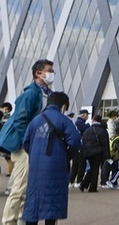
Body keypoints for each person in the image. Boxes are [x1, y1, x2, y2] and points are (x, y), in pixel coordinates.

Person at [0, 58, 54, 225]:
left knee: (28, 187)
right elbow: (21, 120)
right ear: (38, 73)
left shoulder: (45, 94)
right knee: (20, 187)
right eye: (50, 70)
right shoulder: (31, 93)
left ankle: (22, 218)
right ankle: (9, 221)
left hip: (34, 145)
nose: (52, 74)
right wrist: (27, 143)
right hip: (24, 147)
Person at [21, 91, 81, 225]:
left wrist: (36, 153)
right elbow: (75, 141)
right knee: (52, 202)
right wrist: (67, 154)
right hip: (56, 166)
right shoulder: (64, 120)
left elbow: (25, 143)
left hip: (36, 167)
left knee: (33, 200)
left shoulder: (35, 120)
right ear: (64, 106)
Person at [78, 114, 109, 193]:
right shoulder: (103, 130)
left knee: (92, 168)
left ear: (93, 119)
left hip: (87, 151)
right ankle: (92, 187)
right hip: (97, 152)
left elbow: (83, 141)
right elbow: (105, 144)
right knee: (95, 169)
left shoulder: (88, 130)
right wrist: (107, 155)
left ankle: (84, 184)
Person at [70, 110, 89, 186]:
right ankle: (78, 181)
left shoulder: (77, 122)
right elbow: (87, 128)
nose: (87, 116)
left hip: (76, 146)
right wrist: (88, 125)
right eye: (87, 115)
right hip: (80, 146)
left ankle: (71, 181)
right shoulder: (80, 123)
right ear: (83, 115)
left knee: (76, 164)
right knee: (81, 164)